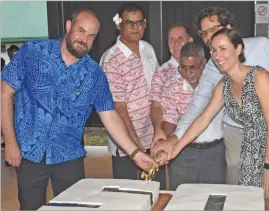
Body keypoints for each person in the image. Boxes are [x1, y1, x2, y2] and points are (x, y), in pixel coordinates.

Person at [1, 8, 158, 210]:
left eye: (91, 35)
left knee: (74, 208)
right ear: (69, 26)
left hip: (69, 156)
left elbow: (110, 115)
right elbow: (4, 93)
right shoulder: (32, 52)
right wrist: (11, 142)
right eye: (81, 31)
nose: (85, 39)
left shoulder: (94, 74)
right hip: (30, 152)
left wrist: (135, 153)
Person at [153, 6, 269, 186]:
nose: (209, 38)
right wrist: (174, 144)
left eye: (213, 30)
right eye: (204, 34)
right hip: (237, 137)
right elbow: (201, 113)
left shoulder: (260, 64)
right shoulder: (216, 75)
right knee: (240, 194)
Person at [100, 3, 160, 182]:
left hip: (152, 140)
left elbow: (156, 92)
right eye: (129, 23)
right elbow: (119, 108)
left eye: (139, 22)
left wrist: (159, 131)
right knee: (129, 197)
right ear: (119, 25)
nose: (135, 27)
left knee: (154, 192)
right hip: (127, 147)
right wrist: (136, 146)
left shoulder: (147, 49)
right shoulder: (111, 60)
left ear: (145, 23)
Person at [158, 41, 226, 189]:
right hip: (183, 152)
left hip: (214, 152)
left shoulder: (218, 83)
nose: (188, 73)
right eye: (183, 68)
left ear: (204, 63)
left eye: (193, 67)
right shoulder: (172, 86)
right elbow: (169, 118)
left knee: (213, 198)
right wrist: (166, 144)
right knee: (183, 198)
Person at [149, 23, 193, 189]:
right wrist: (159, 129)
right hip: (174, 141)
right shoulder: (162, 73)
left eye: (180, 38)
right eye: (171, 40)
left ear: (190, 40)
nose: (175, 43)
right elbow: (156, 105)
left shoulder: (205, 68)